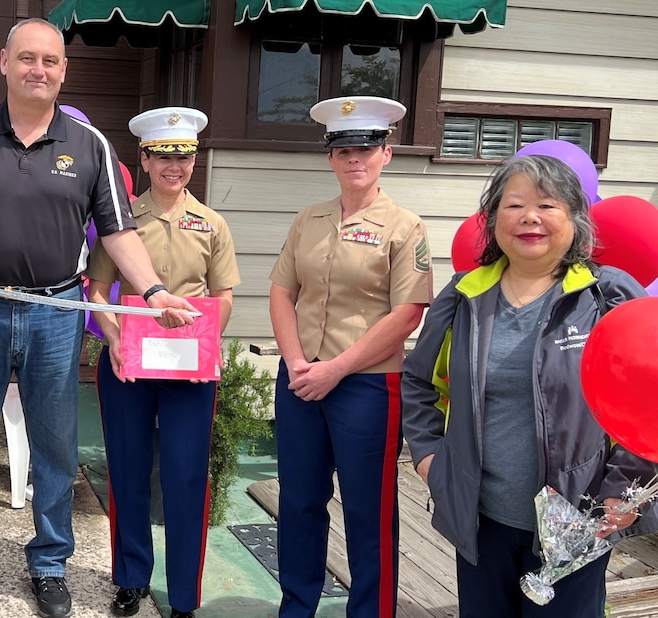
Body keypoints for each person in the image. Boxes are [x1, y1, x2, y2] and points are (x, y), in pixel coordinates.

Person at [0, 17, 196, 618]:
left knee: (57, 445)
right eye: (29, 58)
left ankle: (49, 563)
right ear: (5, 62)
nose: (40, 70)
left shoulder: (90, 147)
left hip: (56, 311)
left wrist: (154, 291)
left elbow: (118, 232)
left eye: (52, 61)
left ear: (64, 70)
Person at [401, 154, 658, 617]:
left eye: (547, 205)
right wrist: (429, 460)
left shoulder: (607, 296)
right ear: (494, 219)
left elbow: (650, 398)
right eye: (514, 205)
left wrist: (624, 488)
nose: (529, 217)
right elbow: (418, 382)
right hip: (481, 522)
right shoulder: (465, 295)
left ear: (575, 220)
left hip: (579, 523)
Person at [268, 96, 432, 618]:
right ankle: (297, 606)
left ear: (387, 153)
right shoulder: (308, 219)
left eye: (367, 147)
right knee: (298, 502)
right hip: (300, 380)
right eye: (343, 149)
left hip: (365, 385)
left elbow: (408, 313)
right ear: (330, 156)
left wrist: (335, 369)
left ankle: (371, 612)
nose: (355, 158)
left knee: (368, 510)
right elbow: (281, 293)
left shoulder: (406, 227)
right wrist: (296, 364)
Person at [87, 107, 240, 618]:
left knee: (185, 476)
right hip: (129, 364)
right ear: (145, 160)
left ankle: (184, 597)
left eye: (185, 156)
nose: (175, 166)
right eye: (163, 156)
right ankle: (130, 579)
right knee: (127, 471)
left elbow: (223, 295)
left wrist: (204, 347)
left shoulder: (212, 223)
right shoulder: (120, 218)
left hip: (189, 371)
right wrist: (111, 340)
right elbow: (98, 289)